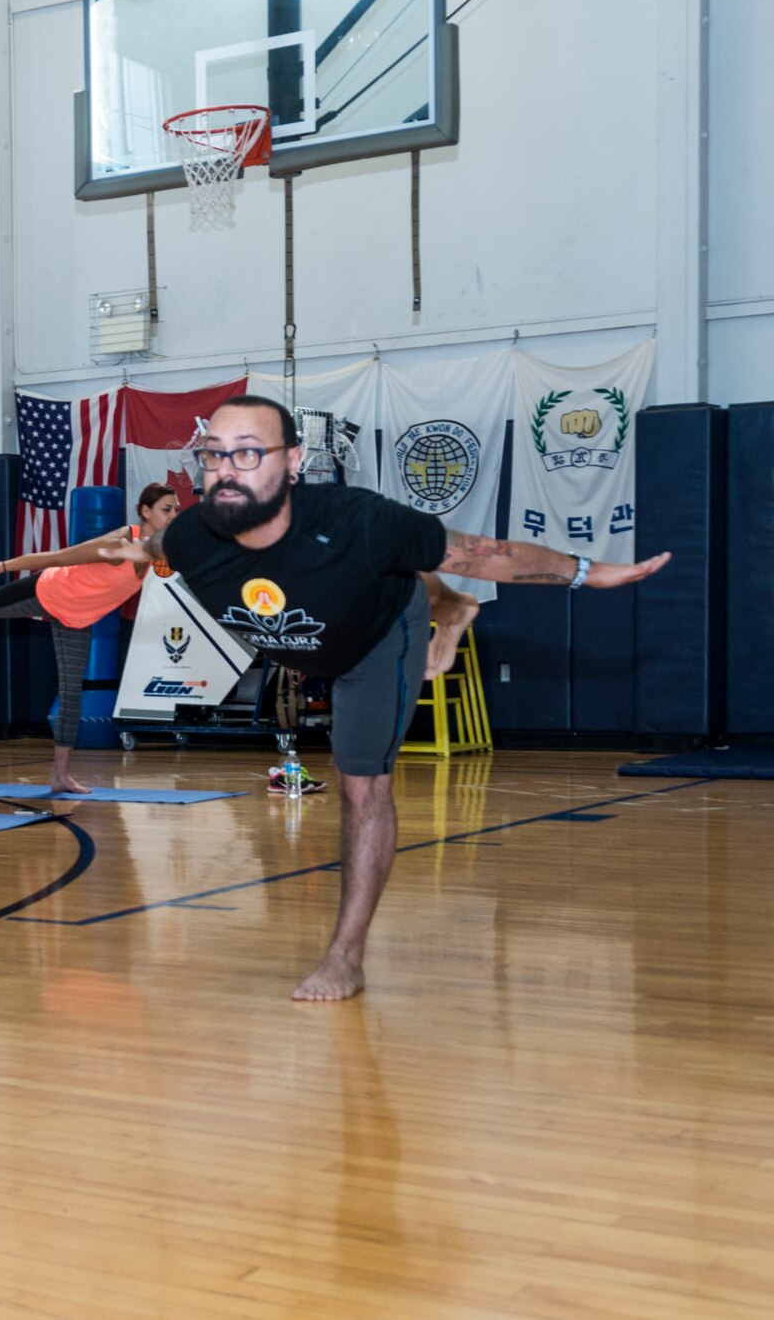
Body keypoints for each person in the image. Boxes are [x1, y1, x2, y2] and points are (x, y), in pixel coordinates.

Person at [97, 395, 669, 1000]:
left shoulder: (358, 518)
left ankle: (345, 955)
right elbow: (152, 547)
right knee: (380, 564)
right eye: (214, 455)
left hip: (377, 639)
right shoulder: (191, 536)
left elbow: (486, 553)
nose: (227, 469)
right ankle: (453, 604)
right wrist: (102, 555)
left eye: (248, 453)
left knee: (361, 782)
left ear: (294, 461)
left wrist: (590, 572)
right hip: (306, 638)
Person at [0, 500, 168, 796]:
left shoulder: (152, 555)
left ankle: (61, 776)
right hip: (50, 591)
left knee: (72, 690)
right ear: (146, 512)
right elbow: (58, 557)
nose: (174, 515)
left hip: (77, 616)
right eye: (168, 508)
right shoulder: (115, 545)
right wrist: (1, 567)